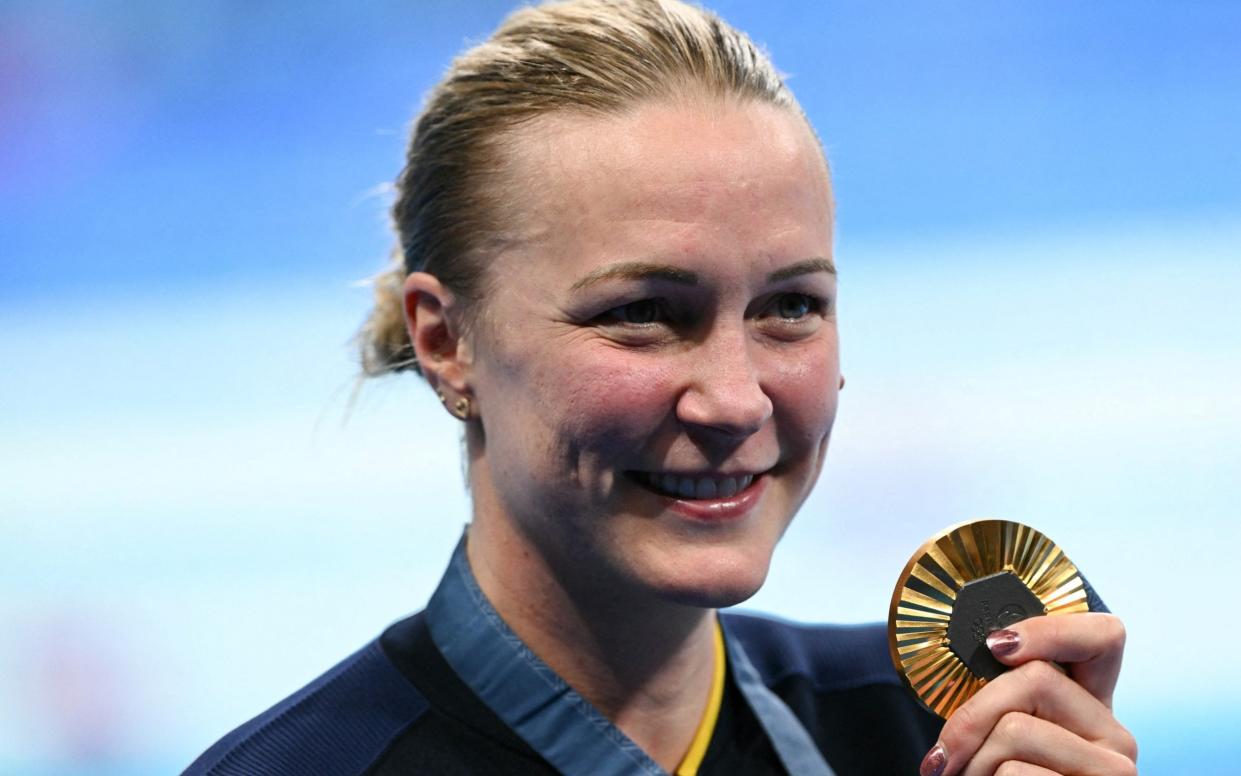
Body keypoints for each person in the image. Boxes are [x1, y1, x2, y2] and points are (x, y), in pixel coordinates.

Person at [184, 1, 1137, 774]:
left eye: (790, 306)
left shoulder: (932, 733)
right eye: (642, 311)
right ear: (447, 341)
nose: (735, 400)